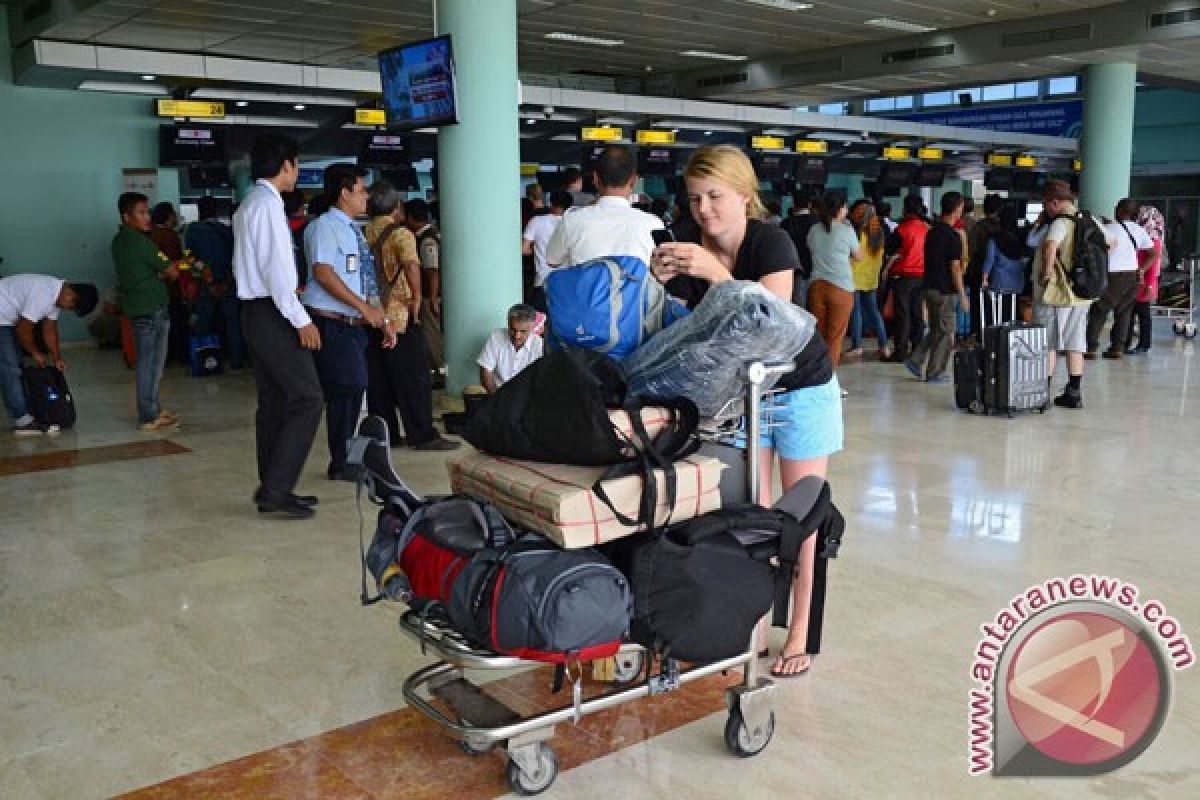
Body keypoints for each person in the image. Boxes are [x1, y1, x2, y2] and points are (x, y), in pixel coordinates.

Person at [650, 144, 842, 680]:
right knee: (748, 515)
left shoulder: (771, 241)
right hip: (743, 395)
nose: (704, 209)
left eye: (714, 196)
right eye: (694, 199)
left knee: (798, 516)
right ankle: (752, 625)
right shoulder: (692, 249)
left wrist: (713, 272)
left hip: (800, 386)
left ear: (743, 195)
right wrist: (664, 280)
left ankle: (799, 628)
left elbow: (774, 321)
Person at [233, 134, 324, 518]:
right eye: (297, 164)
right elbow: (277, 272)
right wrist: (301, 320)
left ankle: (272, 485)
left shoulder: (248, 204)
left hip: (255, 313)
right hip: (274, 312)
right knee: (307, 398)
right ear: (285, 164)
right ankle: (276, 488)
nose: (298, 171)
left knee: (274, 402)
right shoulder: (268, 206)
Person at [304, 164, 396, 481]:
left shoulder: (353, 229)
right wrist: (362, 309)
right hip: (333, 322)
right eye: (361, 189)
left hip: (354, 324)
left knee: (354, 390)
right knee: (349, 386)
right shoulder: (324, 227)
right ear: (344, 193)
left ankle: (347, 459)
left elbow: (364, 281)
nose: (366, 196)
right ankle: (342, 461)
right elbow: (323, 273)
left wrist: (381, 318)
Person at [364, 181, 459, 452]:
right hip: (400, 316)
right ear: (397, 207)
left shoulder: (365, 231)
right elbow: (411, 265)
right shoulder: (401, 233)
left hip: (373, 314)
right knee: (414, 378)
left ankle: (386, 435)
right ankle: (422, 434)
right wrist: (418, 298)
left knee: (379, 379)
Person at [1031, 180, 1106, 409]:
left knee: (1049, 343)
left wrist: (1046, 273)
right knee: (1076, 342)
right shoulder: (1090, 220)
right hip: (1082, 293)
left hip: (1058, 294)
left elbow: (1050, 246)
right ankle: (1073, 393)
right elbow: (1110, 243)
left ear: (1055, 202)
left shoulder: (1061, 222)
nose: (1045, 209)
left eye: (1046, 204)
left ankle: (1041, 395)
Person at [113, 191, 181, 433]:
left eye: (147, 212)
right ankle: (148, 415)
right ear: (126, 216)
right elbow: (172, 271)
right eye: (141, 212)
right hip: (152, 309)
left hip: (137, 307)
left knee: (149, 362)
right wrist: (162, 273)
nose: (147, 217)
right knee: (151, 364)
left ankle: (154, 407)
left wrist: (156, 273)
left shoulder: (119, 241)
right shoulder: (142, 243)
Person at [0, 275, 97, 435]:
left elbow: (49, 329)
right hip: (2, 319)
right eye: (71, 306)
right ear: (70, 295)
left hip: (6, 319)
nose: (68, 309)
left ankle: (26, 412)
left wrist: (57, 357)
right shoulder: (44, 294)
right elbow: (24, 329)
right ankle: (22, 421)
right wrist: (35, 353)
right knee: (11, 369)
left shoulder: (55, 295)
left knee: (16, 366)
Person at [545, 145, 664, 268]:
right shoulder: (653, 225)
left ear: (595, 178)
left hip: (587, 287)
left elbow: (552, 261)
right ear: (634, 181)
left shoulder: (571, 221)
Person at [905, 191, 967, 384]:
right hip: (944, 291)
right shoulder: (953, 236)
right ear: (957, 209)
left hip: (928, 287)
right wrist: (962, 294)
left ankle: (916, 360)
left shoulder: (931, 232)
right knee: (946, 333)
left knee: (935, 329)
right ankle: (935, 372)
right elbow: (955, 268)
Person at [1087, 198, 1155, 360]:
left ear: (1121, 211)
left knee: (1099, 311)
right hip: (1132, 275)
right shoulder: (1139, 230)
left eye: (1117, 208)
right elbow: (1153, 253)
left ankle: (1090, 347)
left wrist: (1105, 227)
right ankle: (1117, 348)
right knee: (1124, 313)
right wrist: (1142, 269)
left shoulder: (1108, 228)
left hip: (1113, 275)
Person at [185, 196, 244, 369]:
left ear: (199, 210)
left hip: (206, 283)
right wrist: (227, 280)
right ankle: (237, 360)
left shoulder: (193, 230)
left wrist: (207, 277)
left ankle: (202, 359)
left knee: (203, 322)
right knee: (233, 323)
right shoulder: (227, 231)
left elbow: (189, 258)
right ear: (217, 211)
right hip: (228, 282)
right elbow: (236, 257)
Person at [806, 192, 861, 369]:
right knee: (835, 337)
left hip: (816, 286)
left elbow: (811, 248)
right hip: (840, 288)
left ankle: (816, 376)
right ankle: (829, 382)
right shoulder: (846, 230)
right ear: (838, 210)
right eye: (845, 207)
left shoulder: (814, 229)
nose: (846, 210)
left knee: (819, 335)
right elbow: (858, 256)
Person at [882, 194, 929, 363]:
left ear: (905, 209)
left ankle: (900, 351)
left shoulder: (902, 230)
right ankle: (917, 349)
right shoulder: (926, 228)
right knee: (917, 313)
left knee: (903, 315)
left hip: (903, 276)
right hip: (922, 276)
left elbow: (889, 248)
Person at [404, 198, 444, 372]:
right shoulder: (435, 234)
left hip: (428, 295)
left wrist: (433, 298)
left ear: (411, 217)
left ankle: (441, 369)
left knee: (431, 333)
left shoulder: (427, 240)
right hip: (431, 294)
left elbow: (432, 271)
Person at [848, 203, 889, 359]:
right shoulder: (879, 234)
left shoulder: (857, 233)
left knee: (856, 313)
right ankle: (884, 345)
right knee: (874, 312)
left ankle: (857, 346)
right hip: (871, 278)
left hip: (855, 277)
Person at [522, 190, 572, 312]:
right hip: (569, 283)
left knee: (539, 324)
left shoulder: (536, 221)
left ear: (550, 203)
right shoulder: (573, 222)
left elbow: (524, 249)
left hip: (543, 281)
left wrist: (536, 249)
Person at [478, 303, 544, 393]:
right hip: (498, 393)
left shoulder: (540, 345)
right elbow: (485, 369)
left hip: (526, 397)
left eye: (523, 331)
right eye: (513, 330)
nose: (517, 336)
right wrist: (496, 398)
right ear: (508, 323)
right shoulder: (496, 337)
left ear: (532, 327)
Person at [1127, 205, 1166, 354]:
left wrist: (1149, 285)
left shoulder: (1153, 240)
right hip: (1138, 281)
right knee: (1131, 313)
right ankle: (1129, 343)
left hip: (1144, 283)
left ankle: (1143, 344)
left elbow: (1154, 266)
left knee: (1143, 315)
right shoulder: (1143, 237)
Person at [980, 205, 1028, 322]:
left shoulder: (994, 239)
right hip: (1018, 283)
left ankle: (999, 337)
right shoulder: (1022, 238)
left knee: (998, 315)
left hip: (999, 283)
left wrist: (984, 278)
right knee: (1014, 314)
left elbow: (989, 260)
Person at [781, 187, 819, 308]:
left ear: (794, 203)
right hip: (816, 269)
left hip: (795, 269)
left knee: (799, 307)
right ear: (809, 204)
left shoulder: (785, 223)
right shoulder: (817, 222)